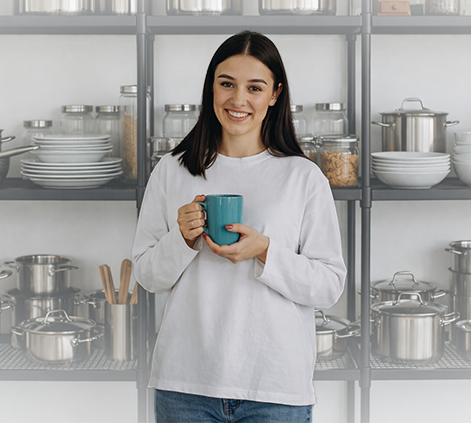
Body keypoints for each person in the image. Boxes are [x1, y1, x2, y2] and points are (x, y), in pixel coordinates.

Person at [131, 31, 347, 423]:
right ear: (211, 86)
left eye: (255, 87)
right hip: (185, 385)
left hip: (275, 387)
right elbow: (147, 276)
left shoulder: (303, 177)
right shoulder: (172, 170)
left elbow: (329, 286)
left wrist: (265, 251)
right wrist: (181, 239)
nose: (238, 100)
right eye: (226, 84)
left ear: (275, 94)